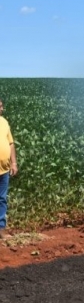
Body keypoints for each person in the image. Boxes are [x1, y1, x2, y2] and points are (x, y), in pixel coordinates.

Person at [0, 99, 17, 238]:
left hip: (4, 170)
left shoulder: (4, 122)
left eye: (1, 106)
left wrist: (14, 163)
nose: (1, 109)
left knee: (2, 199)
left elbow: (11, 144)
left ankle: (0, 229)